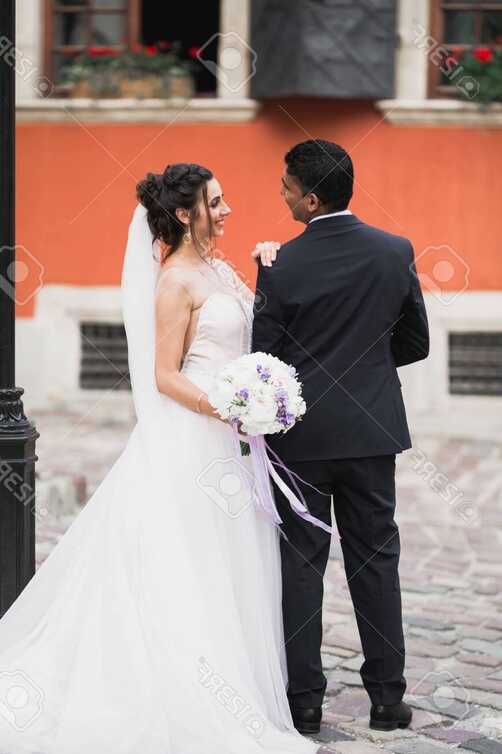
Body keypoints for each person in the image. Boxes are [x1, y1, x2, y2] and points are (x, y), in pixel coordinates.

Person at [0, 163, 319, 754]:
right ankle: (182, 692)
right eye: (216, 203)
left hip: (230, 440)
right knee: (191, 563)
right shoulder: (174, 281)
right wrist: (223, 407)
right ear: (183, 214)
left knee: (232, 564)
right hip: (192, 435)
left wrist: (270, 265)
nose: (227, 211)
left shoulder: (219, 268)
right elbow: (164, 375)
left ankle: (236, 686)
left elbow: (251, 327)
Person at [252, 140, 429, 735]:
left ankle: (304, 703)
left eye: (285, 187)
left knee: (300, 564)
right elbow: (416, 343)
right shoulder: (395, 250)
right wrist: (367, 370)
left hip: (300, 437)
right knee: (376, 560)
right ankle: (387, 700)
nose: (281, 195)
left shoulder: (280, 264)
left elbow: (263, 359)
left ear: (311, 197)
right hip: (372, 431)